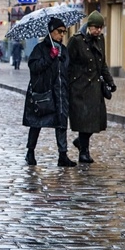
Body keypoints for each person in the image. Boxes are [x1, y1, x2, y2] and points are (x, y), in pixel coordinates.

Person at [22, 17, 77, 167]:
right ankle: (30, 152)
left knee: (61, 124)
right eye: (59, 31)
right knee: (37, 123)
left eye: (64, 32)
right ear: (51, 31)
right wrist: (50, 56)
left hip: (60, 93)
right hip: (43, 93)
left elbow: (68, 69)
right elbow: (34, 67)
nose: (62, 35)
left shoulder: (63, 50)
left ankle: (62, 155)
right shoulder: (39, 49)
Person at [67, 11, 116, 163]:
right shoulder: (76, 40)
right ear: (89, 26)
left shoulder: (100, 39)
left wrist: (110, 82)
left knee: (96, 122)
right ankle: (84, 153)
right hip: (80, 88)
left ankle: (80, 143)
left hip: (95, 88)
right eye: (96, 27)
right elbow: (68, 63)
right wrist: (69, 84)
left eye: (100, 28)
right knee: (84, 122)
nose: (98, 30)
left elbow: (102, 64)